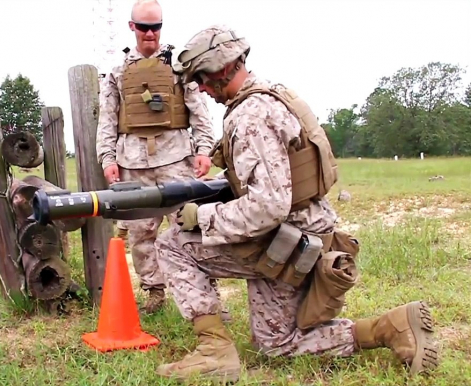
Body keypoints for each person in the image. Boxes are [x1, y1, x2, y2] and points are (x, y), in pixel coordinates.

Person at [153, 25, 440, 383]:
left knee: (173, 244)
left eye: (201, 78)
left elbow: (267, 205)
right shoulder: (274, 95)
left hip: (282, 239)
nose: (201, 89)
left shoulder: (250, 115)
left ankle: (214, 350)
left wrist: (204, 216)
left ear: (221, 69)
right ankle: (389, 328)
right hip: (304, 236)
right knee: (277, 344)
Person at [96, 0, 230, 317]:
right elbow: (108, 120)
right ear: (132, 27)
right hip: (133, 163)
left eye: (156, 27)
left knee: (191, 226)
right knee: (141, 233)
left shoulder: (177, 67)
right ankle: (154, 293)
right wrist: (107, 158)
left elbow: (199, 110)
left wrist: (203, 150)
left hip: (176, 161)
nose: (150, 34)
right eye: (143, 27)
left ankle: (208, 298)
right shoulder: (117, 72)